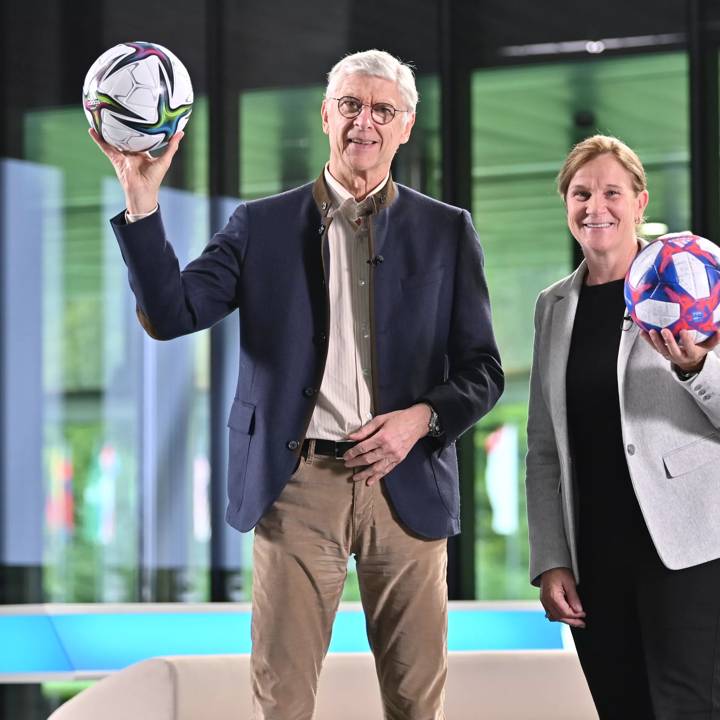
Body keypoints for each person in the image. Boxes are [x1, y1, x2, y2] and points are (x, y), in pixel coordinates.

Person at [91, 49, 503, 720]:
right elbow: (172, 314)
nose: (363, 122)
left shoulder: (447, 230)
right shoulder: (261, 225)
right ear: (325, 114)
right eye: (350, 105)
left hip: (408, 483)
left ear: (405, 126)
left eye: (382, 110)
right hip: (296, 484)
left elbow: (483, 370)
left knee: (416, 704)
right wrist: (142, 197)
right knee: (283, 701)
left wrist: (420, 419)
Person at [526, 133, 720, 719]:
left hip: (687, 546)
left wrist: (696, 368)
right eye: (581, 193)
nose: (595, 206)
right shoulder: (553, 305)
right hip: (595, 553)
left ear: (639, 202)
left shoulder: (695, 282)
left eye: (612, 192)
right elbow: (543, 447)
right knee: (622, 706)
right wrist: (551, 557)